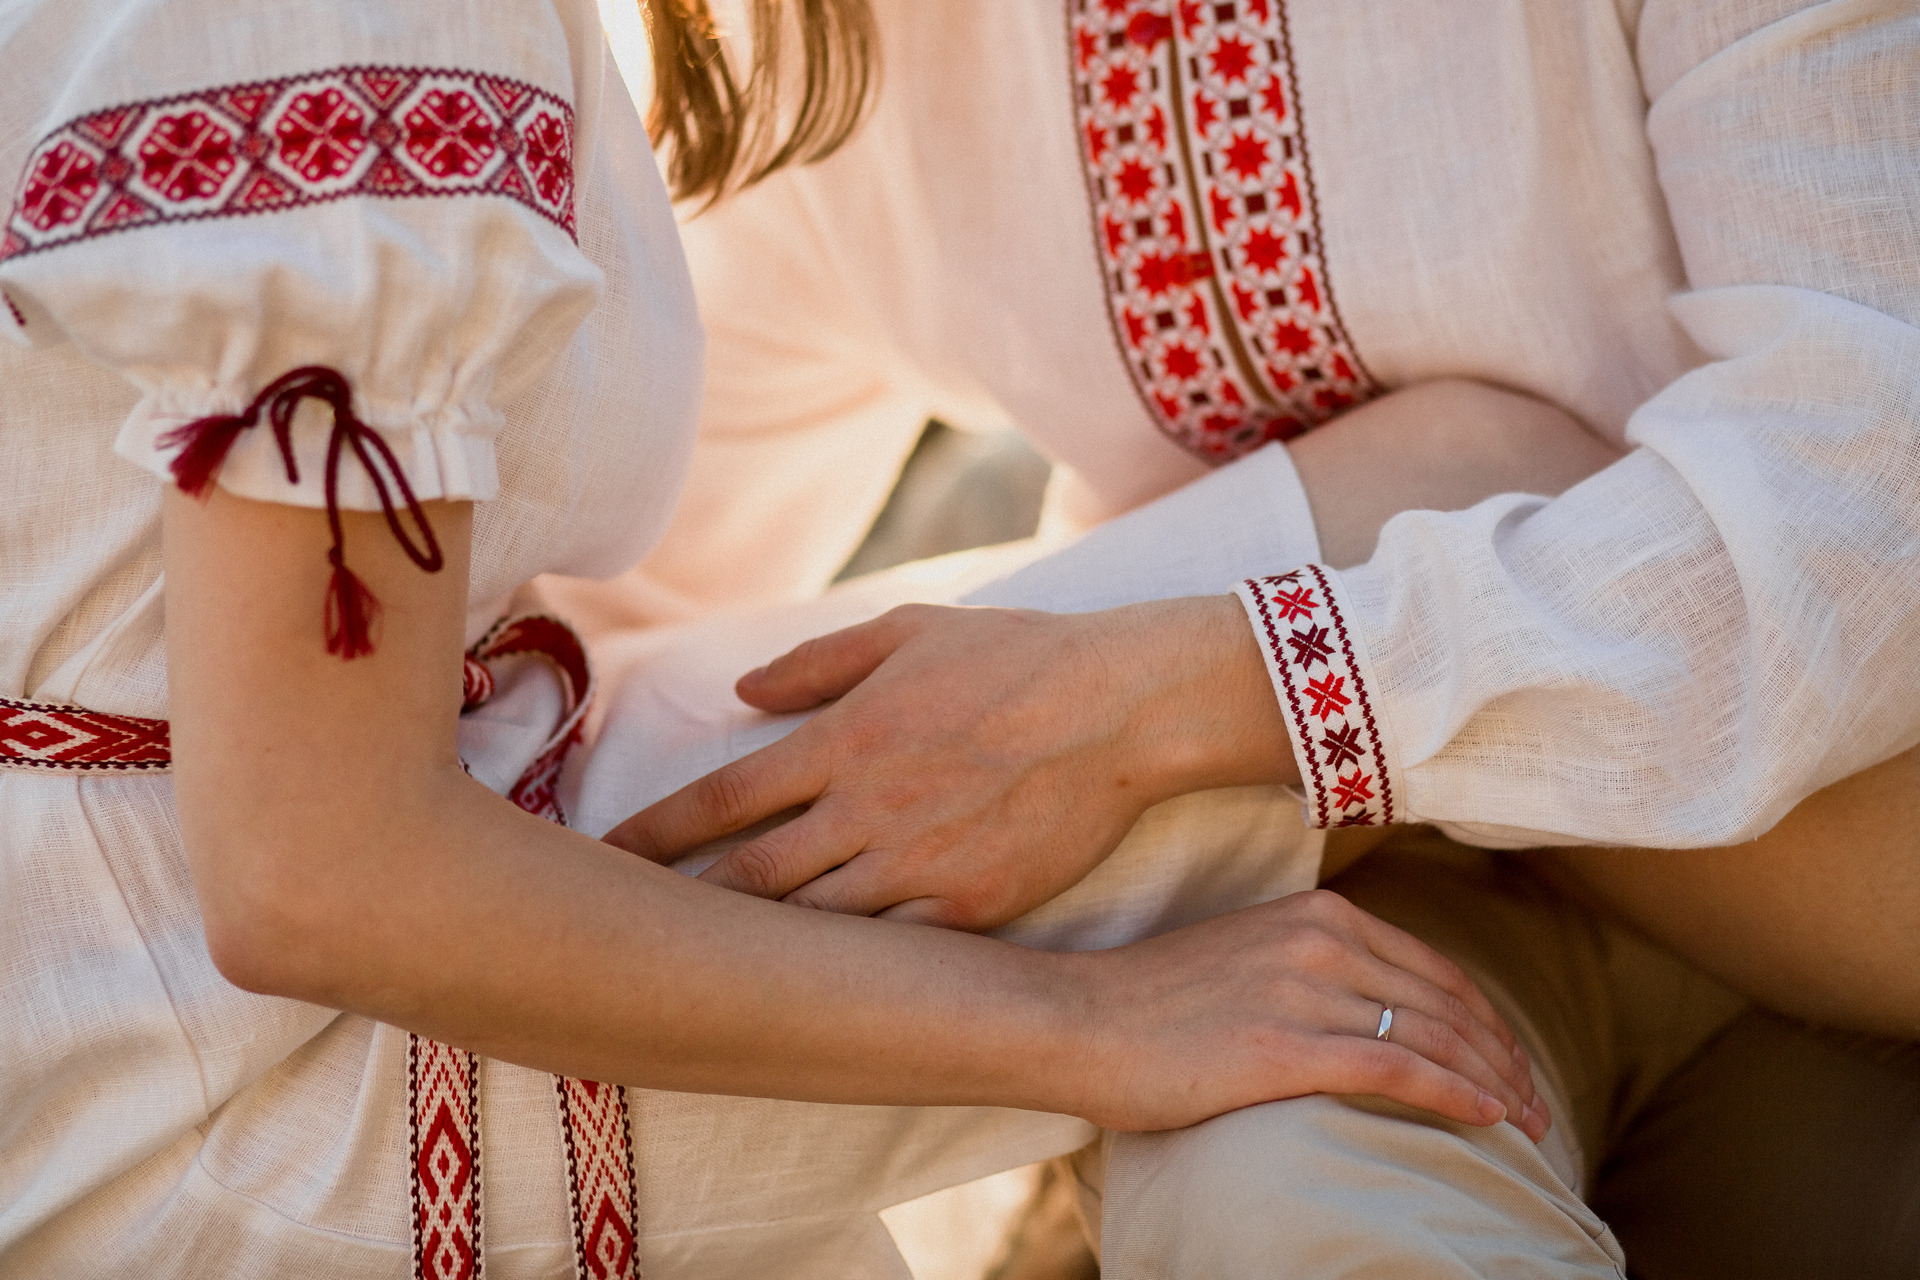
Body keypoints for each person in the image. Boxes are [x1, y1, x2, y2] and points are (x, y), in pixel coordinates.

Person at [0, 2, 1559, 1277]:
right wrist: (1093, 1026)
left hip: (143, 985)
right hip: (220, 1082)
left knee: (1403, 528)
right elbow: (313, 883)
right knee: (1471, 490)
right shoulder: (360, 18)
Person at [554, 0, 1919, 1271]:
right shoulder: (825, 51)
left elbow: (1871, 493)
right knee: (1278, 1212)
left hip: (1851, 852)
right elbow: (614, 622)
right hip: (1379, 915)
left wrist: (1188, 687)